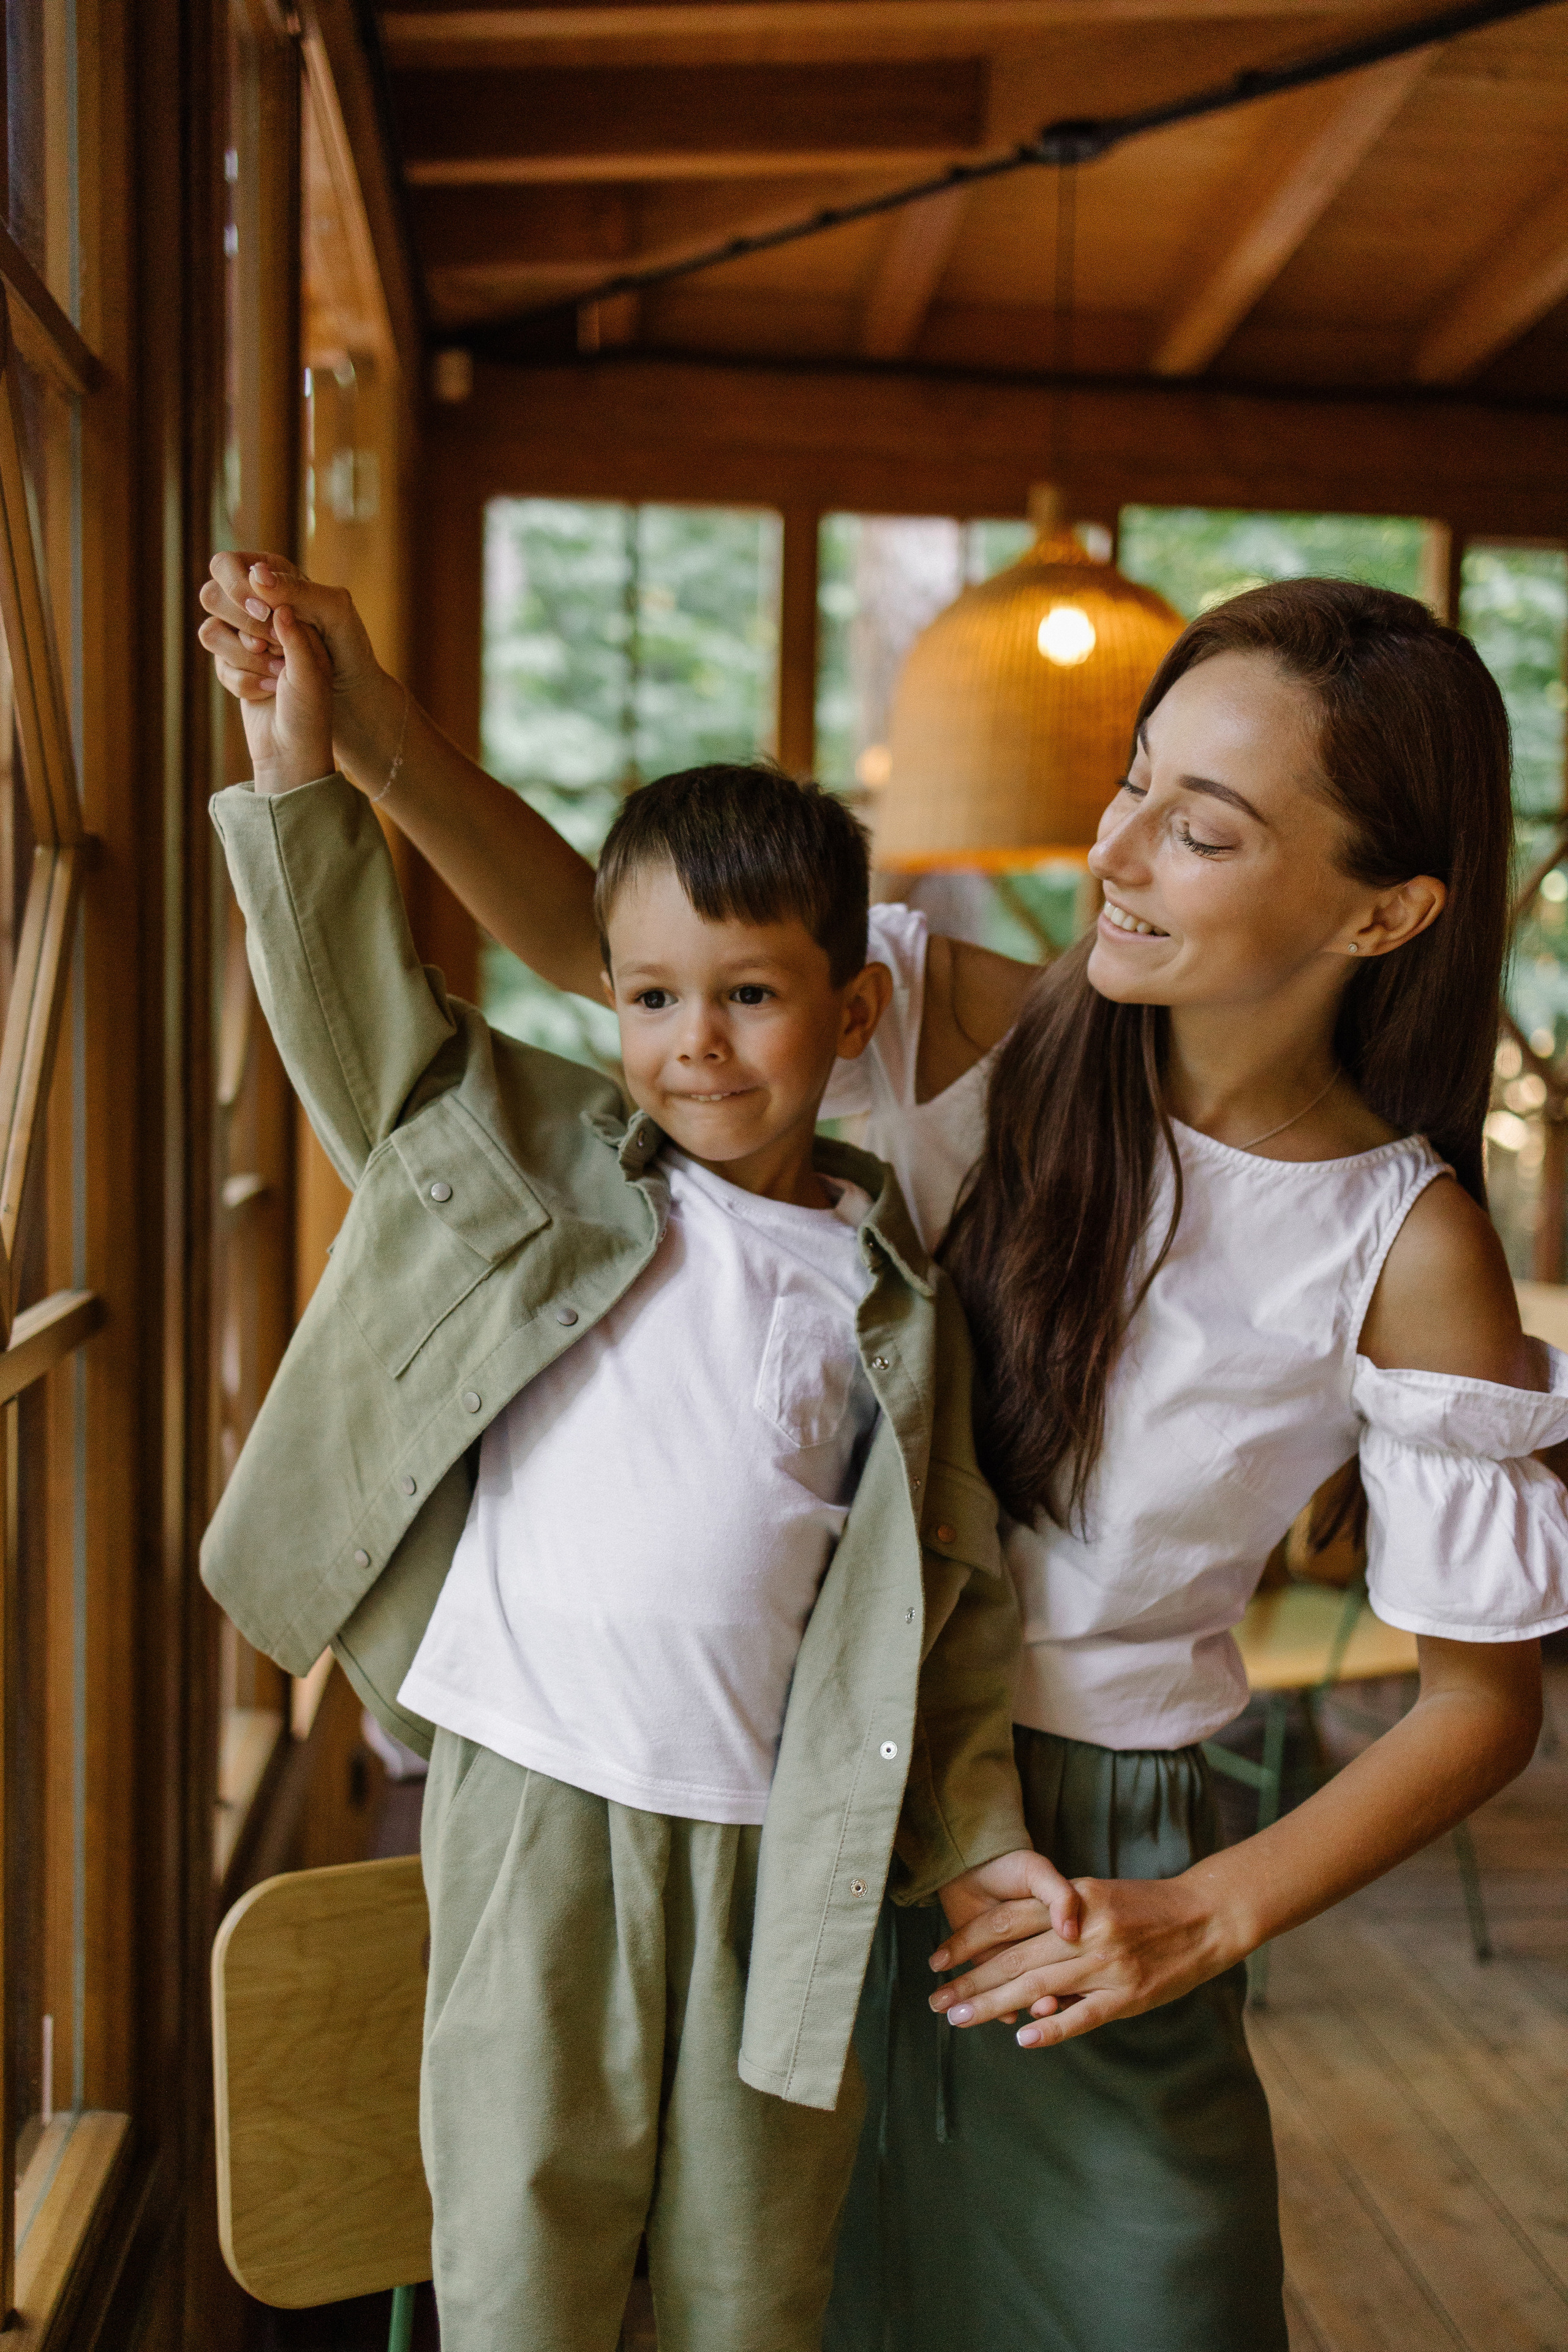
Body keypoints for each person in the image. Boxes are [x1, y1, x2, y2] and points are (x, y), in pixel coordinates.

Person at [200, 558, 1568, 2351]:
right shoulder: (980, 1032)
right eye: (1134, 781)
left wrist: (1201, 1918)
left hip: (1086, 1862)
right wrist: (367, 739)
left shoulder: (1408, 1241)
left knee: (1155, 2298)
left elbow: (1484, 1705)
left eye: (1204, 829)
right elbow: (605, 949)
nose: (1120, 849)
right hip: (780, 1805)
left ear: (1383, 915)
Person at [200, 592, 1063, 2352]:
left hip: (783, 1845)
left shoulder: (899, 1305)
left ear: (852, 1006)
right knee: (522, 2253)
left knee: (749, 2286)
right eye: (652, 995)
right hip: (535, 1802)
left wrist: (976, 1843)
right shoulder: (542, 1174)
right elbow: (362, 1016)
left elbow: (946, 1615)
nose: (698, 1044)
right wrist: (298, 766)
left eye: (751, 996)